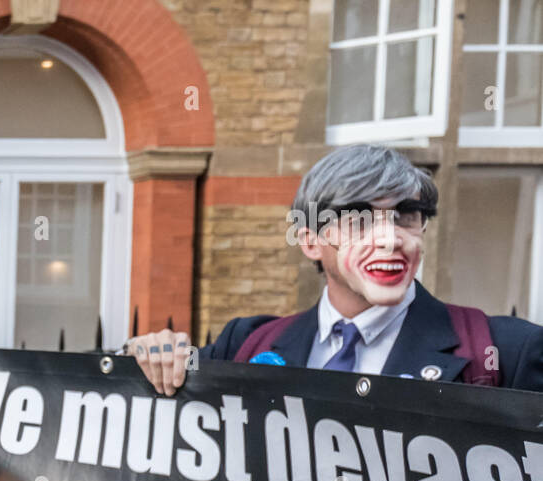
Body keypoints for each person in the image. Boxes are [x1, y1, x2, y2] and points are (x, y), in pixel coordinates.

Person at [129, 144, 543, 395]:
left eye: (406, 216)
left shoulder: (508, 351)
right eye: (359, 220)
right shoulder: (245, 344)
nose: (390, 239)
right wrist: (147, 357)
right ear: (309, 241)